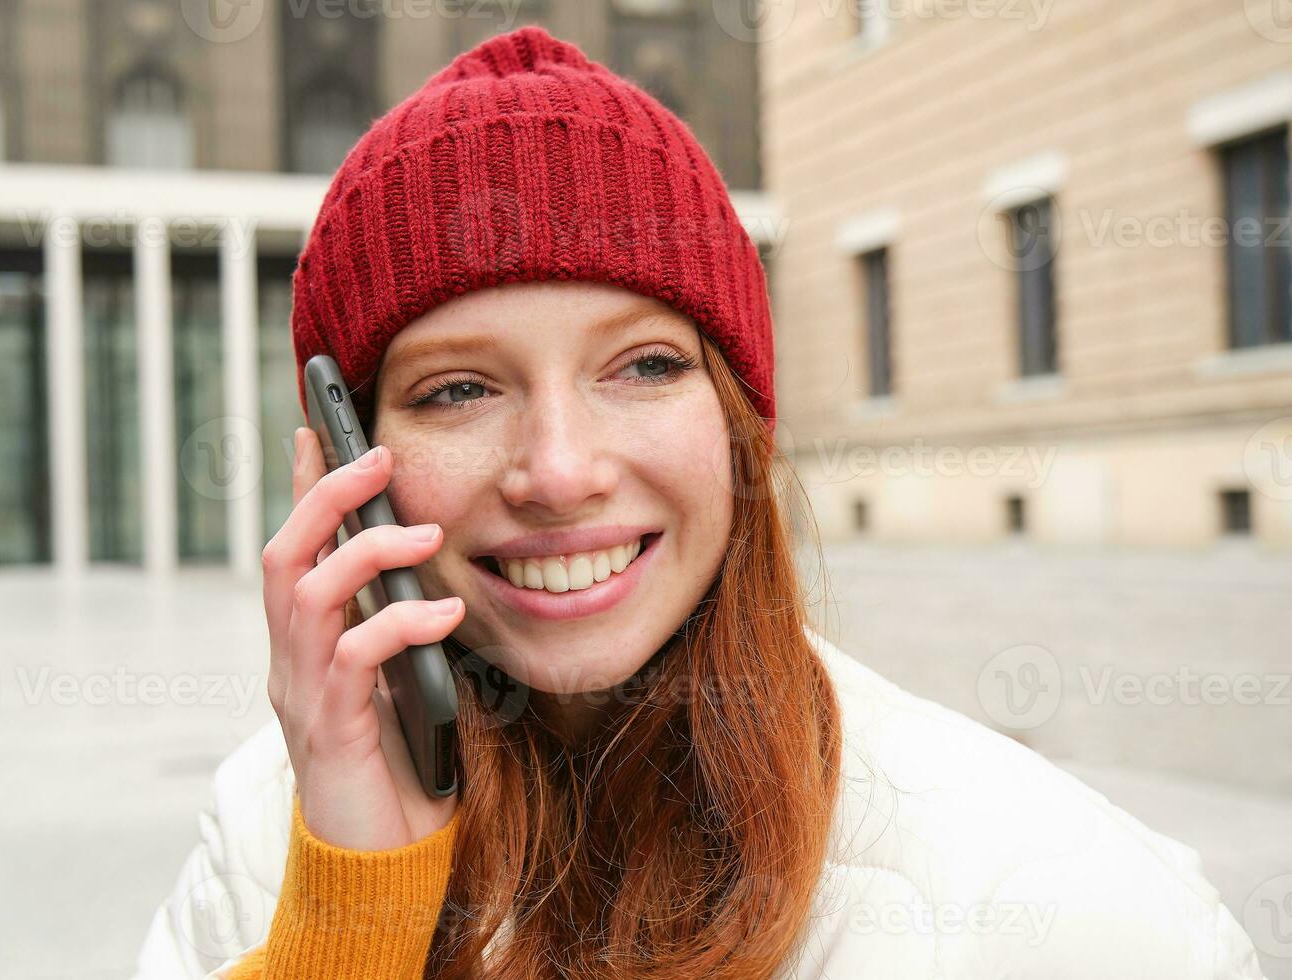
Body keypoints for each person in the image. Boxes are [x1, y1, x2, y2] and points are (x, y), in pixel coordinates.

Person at [133, 25, 1265, 980]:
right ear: (348, 460)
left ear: (739, 422)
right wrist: (350, 914)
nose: (561, 469)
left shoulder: (1074, 909)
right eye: (461, 388)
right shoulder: (270, 834)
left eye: (644, 365)